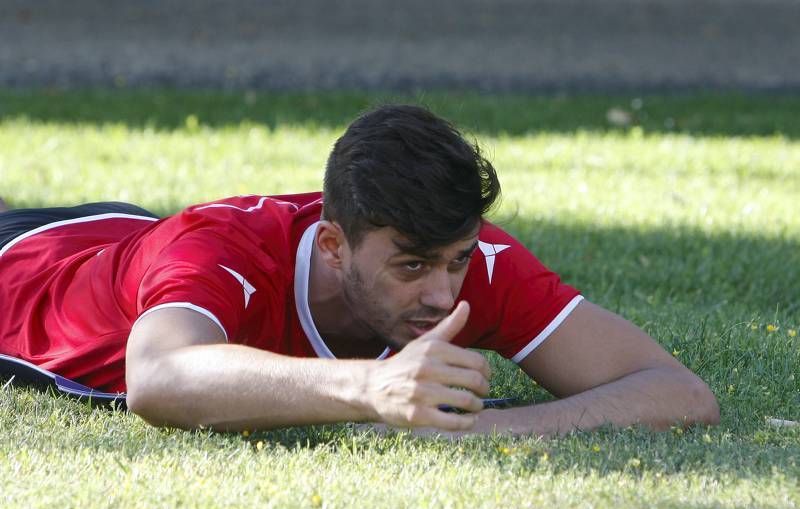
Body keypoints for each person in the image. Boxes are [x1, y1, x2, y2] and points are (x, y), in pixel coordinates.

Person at [0, 105, 719, 436]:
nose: (441, 295)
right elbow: (158, 380)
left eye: (456, 261)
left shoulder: (468, 262)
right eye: (411, 266)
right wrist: (372, 388)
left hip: (119, 237)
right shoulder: (219, 251)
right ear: (334, 246)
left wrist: (492, 432)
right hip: (26, 270)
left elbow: (678, 394)